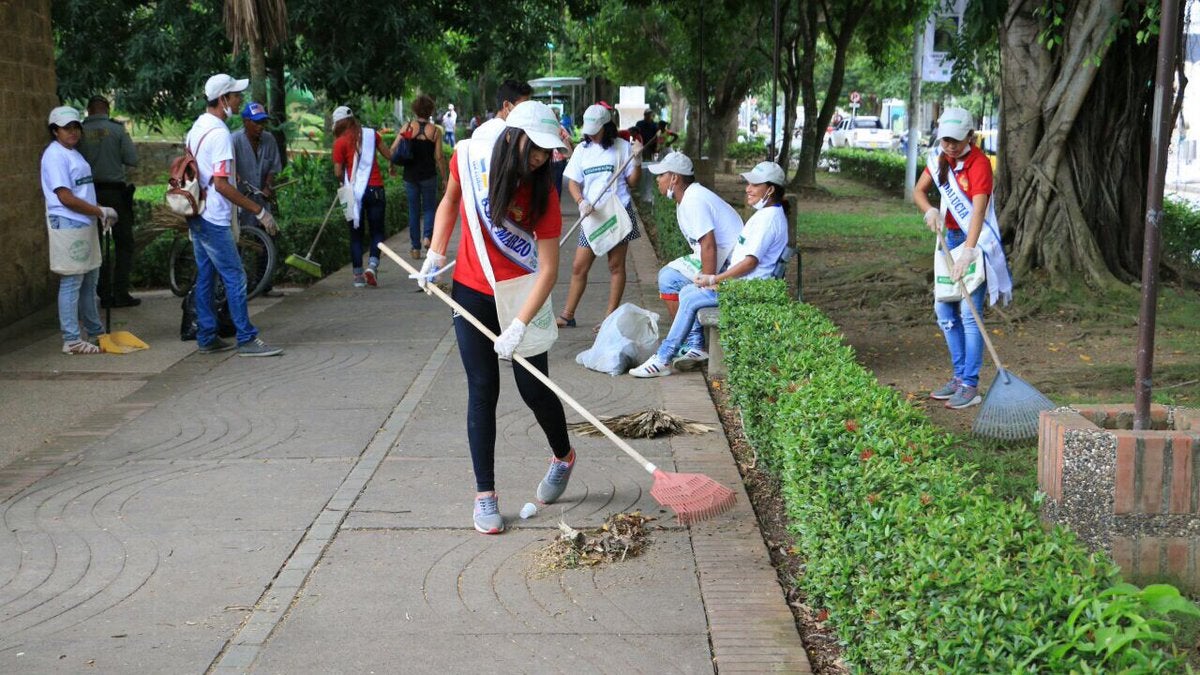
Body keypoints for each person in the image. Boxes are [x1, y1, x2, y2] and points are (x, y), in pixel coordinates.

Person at [416, 100, 573, 535]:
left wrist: (521, 324)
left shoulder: (545, 192)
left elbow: (548, 269)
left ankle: (563, 455)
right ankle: (485, 494)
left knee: (532, 389)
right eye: (535, 149)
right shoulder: (470, 160)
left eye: (548, 152)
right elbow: (450, 201)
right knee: (483, 388)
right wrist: (434, 254)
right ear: (512, 138)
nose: (541, 158)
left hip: (524, 294)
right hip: (471, 288)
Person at [631, 161, 790, 377]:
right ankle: (690, 348)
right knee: (687, 291)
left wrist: (716, 278)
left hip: (747, 289)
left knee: (689, 297)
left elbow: (750, 263)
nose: (747, 189)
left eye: (754, 185)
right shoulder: (767, 215)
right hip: (742, 284)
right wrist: (715, 279)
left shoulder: (769, 219)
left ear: (770, 189)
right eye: (749, 184)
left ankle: (663, 358)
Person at [913, 107, 1012, 410]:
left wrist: (969, 250)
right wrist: (928, 209)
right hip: (947, 242)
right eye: (945, 140)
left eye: (956, 140)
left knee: (970, 314)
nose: (951, 146)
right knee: (944, 310)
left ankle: (970, 383)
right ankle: (958, 377)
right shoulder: (939, 158)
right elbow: (919, 190)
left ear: (970, 136)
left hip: (974, 242)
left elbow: (978, 212)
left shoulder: (979, 163)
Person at [184, 73, 283, 357]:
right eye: (236, 95)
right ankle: (246, 338)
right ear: (224, 100)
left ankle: (206, 336)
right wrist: (259, 210)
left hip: (197, 213)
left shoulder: (197, 128)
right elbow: (221, 184)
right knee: (235, 276)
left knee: (206, 275)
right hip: (214, 217)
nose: (241, 99)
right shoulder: (221, 135)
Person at [557, 103, 643, 332]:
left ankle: (609, 316)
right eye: (589, 130)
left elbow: (632, 183)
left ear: (607, 127)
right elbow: (574, 182)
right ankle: (567, 315)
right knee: (578, 266)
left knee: (615, 266)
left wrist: (637, 160)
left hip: (617, 212)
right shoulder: (582, 150)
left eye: (596, 130)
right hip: (591, 215)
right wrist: (580, 201)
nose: (592, 134)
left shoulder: (622, 147)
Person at [42, 106, 115, 355]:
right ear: (55, 131)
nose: (72, 132)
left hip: (84, 221)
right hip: (68, 222)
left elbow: (80, 192)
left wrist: (98, 211)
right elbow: (65, 197)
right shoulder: (55, 156)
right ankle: (72, 339)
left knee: (89, 280)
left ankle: (95, 332)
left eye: (75, 127)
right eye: (66, 128)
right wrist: (99, 211)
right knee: (72, 280)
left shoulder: (73, 153)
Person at [646, 151, 743, 322]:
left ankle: (690, 343)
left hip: (730, 263)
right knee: (670, 275)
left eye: (662, 175)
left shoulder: (693, 200)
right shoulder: (688, 196)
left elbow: (708, 245)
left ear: (674, 178)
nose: (657, 179)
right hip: (723, 258)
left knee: (669, 278)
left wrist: (708, 284)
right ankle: (690, 339)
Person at [78, 95, 139, 308]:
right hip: (115, 194)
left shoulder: (79, 131)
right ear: (107, 110)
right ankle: (121, 292)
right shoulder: (117, 129)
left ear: (88, 110)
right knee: (124, 242)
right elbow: (132, 159)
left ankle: (103, 292)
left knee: (95, 245)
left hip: (87, 195)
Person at [331, 105, 394, 282]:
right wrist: (393, 164)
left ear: (338, 123)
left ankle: (358, 276)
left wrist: (345, 169)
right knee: (377, 232)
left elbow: (337, 172)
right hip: (375, 188)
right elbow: (389, 154)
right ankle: (372, 266)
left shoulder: (339, 143)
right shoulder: (371, 134)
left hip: (352, 193)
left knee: (355, 235)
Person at [231, 101, 283, 295]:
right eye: (256, 123)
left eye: (262, 122)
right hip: (240, 200)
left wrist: (268, 186)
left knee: (267, 240)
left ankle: (264, 285)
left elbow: (272, 168)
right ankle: (236, 287)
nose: (260, 127)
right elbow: (226, 168)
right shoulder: (233, 140)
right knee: (238, 242)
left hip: (261, 199)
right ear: (245, 122)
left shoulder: (269, 140)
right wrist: (235, 177)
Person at [391, 94, 447, 259]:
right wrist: (445, 177)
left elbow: (394, 148)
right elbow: (439, 157)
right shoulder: (434, 131)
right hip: (429, 175)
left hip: (410, 176)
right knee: (429, 208)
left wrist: (391, 165)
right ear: (430, 111)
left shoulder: (407, 127)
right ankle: (427, 237)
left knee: (413, 211)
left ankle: (415, 248)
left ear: (415, 110)